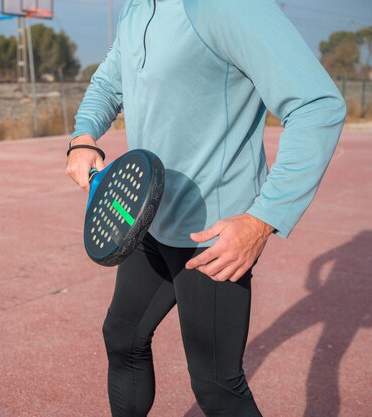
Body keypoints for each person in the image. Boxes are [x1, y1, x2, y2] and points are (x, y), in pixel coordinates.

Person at [64, 0, 346, 416]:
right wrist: (84, 135)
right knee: (123, 337)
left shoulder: (229, 7)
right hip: (149, 216)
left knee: (216, 384)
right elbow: (109, 83)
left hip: (211, 235)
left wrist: (262, 219)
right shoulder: (136, 9)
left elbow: (317, 105)